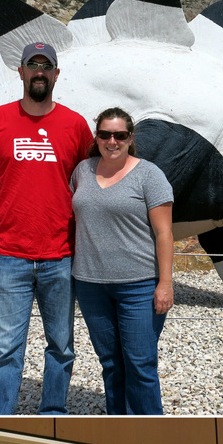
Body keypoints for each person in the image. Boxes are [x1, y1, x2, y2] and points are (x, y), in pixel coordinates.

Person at [0, 42, 93, 415]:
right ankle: (3, 417)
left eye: (47, 66)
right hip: (9, 255)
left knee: (61, 344)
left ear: (56, 74)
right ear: (20, 71)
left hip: (61, 255)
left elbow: (92, 180)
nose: (39, 71)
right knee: (6, 348)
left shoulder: (75, 124)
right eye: (32, 65)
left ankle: (53, 412)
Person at [71, 107, 175, 415]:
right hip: (90, 285)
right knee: (111, 364)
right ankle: (119, 428)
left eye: (119, 135)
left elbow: (164, 233)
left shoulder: (149, 175)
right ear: (97, 137)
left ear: (130, 138)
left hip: (139, 287)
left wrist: (165, 283)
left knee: (140, 364)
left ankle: (151, 436)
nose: (111, 141)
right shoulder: (82, 171)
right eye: (105, 134)